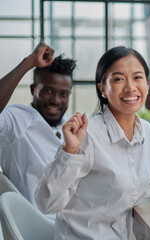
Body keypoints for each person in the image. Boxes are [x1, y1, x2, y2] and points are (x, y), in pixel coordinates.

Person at [35, 46, 150, 239]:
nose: (130, 87)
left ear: (147, 84)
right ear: (102, 89)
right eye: (118, 79)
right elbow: (47, 204)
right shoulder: (88, 134)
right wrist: (69, 151)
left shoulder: (145, 131)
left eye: (137, 77)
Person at [0, 41, 76, 206]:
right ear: (33, 89)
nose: (56, 100)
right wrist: (29, 62)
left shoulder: (72, 128)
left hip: (67, 220)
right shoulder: (17, 120)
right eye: (48, 90)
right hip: (32, 224)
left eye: (63, 94)